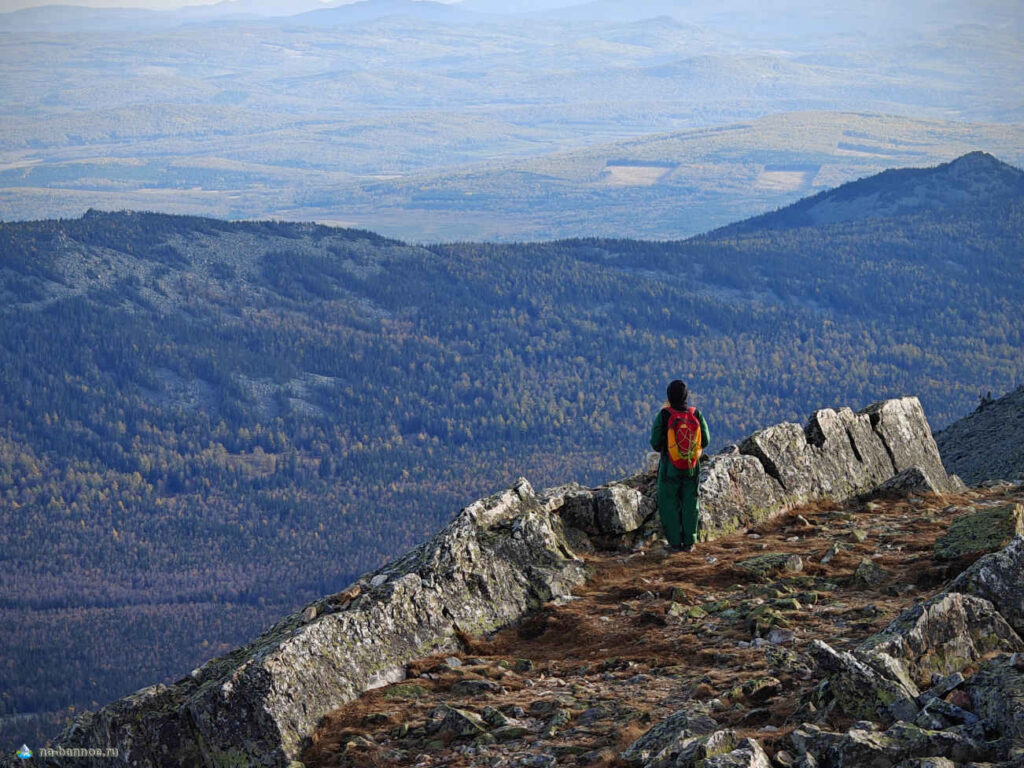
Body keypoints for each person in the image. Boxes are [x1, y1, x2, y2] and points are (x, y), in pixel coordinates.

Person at [649, 380, 710, 552]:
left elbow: (655, 443)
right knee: (691, 502)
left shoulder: (664, 415)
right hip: (692, 466)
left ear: (669, 396)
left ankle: (675, 543)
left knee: (669, 502)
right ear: (686, 396)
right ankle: (690, 542)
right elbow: (706, 440)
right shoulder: (696, 414)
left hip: (670, 467)